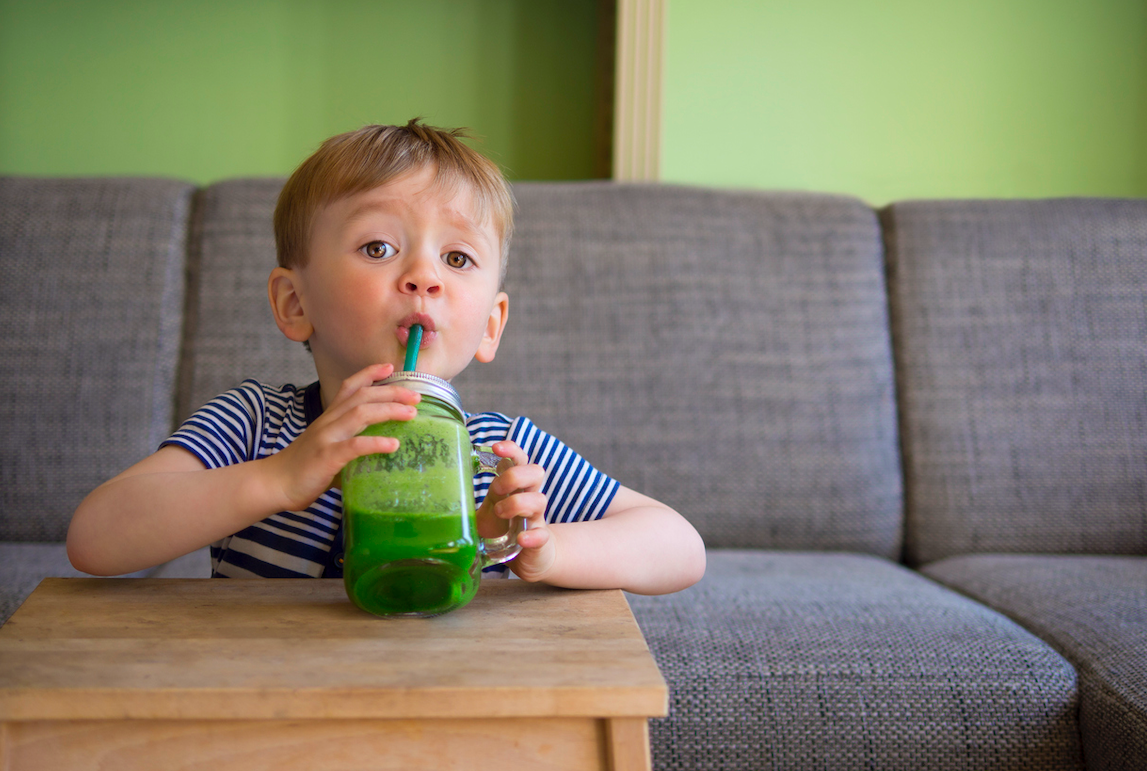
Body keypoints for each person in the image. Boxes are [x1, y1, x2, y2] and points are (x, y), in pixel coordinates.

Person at [67, 119, 706, 595]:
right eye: (377, 247)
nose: (424, 275)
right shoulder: (256, 425)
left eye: (457, 259)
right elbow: (94, 538)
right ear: (294, 303)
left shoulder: (496, 450)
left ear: (490, 325)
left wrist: (542, 549)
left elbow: (680, 546)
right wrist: (278, 479)